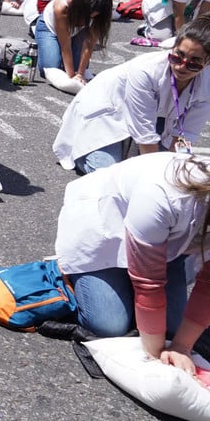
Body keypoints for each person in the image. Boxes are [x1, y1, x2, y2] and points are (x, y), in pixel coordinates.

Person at [54, 152, 210, 358]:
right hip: (106, 224)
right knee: (110, 326)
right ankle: (62, 274)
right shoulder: (165, 194)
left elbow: (207, 285)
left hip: (169, 241)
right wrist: (156, 357)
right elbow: (149, 283)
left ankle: (125, 282)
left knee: (172, 328)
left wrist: (181, 348)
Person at [54, 17, 210, 174]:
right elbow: (145, 135)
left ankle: (126, 149)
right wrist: (154, 179)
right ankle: (83, 149)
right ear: (173, 47)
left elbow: (185, 134)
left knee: (171, 169)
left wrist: (170, 172)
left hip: (153, 115)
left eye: (194, 62)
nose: (181, 66)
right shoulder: (145, 71)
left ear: (208, 62)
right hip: (108, 112)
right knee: (110, 174)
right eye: (178, 55)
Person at [34, 0, 113, 80]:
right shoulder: (62, 7)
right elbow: (65, 46)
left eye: (93, 16)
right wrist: (71, 77)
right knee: (51, 68)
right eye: (88, 15)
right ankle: (50, 48)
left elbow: (89, 44)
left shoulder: (100, 7)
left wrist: (80, 74)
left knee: (77, 67)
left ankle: (62, 57)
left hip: (77, 32)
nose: (91, 17)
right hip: (50, 28)